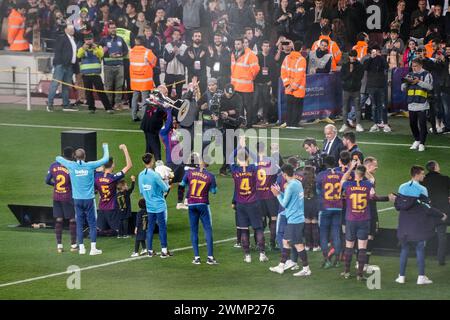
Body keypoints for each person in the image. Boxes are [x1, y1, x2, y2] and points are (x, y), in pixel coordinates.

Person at [394, 165, 447, 285]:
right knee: (420, 250)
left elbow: (398, 205)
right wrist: (441, 214)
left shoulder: (402, 187)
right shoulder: (422, 190)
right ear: (417, 175)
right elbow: (427, 208)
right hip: (418, 225)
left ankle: (401, 277)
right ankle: (421, 277)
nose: (424, 175)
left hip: (404, 225)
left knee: (404, 250)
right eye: (422, 174)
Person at [55, 143, 109, 255]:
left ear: (75, 156)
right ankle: (93, 249)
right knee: (92, 223)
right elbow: (106, 159)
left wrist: (69, 159)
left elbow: (57, 158)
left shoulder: (71, 165)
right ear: (85, 156)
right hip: (89, 199)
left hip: (77, 200)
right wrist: (105, 147)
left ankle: (82, 248)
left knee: (79, 223)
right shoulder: (90, 165)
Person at [269, 164, 312, 277]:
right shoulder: (297, 183)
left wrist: (277, 194)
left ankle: (306, 269)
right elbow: (291, 198)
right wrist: (281, 192)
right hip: (296, 218)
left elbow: (284, 203)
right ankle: (281, 266)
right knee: (286, 242)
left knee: (298, 245)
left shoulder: (291, 185)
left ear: (284, 174)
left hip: (295, 220)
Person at [231, 148, 268, 263]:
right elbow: (257, 158)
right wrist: (246, 148)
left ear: (238, 159)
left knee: (244, 230)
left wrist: (239, 148)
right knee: (258, 228)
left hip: (241, 204)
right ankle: (262, 254)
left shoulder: (234, 169)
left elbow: (229, 158)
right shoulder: (253, 168)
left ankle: (247, 256)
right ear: (248, 158)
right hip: (253, 203)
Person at [180, 154, 218, 265]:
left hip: (191, 204)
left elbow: (182, 184)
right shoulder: (210, 175)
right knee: (207, 229)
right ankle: (210, 257)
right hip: (203, 204)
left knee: (194, 230)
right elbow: (214, 191)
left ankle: (196, 258)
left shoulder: (189, 173)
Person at [340, 162, 375, 281]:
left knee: (349, 246)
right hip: (364, 220)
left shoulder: (348, 185)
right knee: (362, 248)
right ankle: (360, 274)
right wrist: (365, 169)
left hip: (351, 219)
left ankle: (346, 271)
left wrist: (350, 168)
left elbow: (343, 179)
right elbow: (372, 178)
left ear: (355, 174)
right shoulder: (367, 185)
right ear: (364, 174)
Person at [95, 144, 133, 237]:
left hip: (101, 207)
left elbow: (97, 169)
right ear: (112, 165)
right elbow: (129, 165)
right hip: (112, 208)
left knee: (99, 229)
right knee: (117, 231)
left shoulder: (97, 176)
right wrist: (125, 149)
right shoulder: (113, 178)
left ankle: (97, 231)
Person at [138, 153, 172, 257]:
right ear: (152, 161)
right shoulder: (155, 175)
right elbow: (166, 188)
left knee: (150, 228)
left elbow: (141, 191)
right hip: (159, 205)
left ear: (144, 162)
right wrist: (167, 180)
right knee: (162, 227)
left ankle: (149, 250)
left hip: (149, 206)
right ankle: (164, 251)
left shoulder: (140, 175)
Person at [45, 147, 77, 253]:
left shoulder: (53, 165)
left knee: (59, 220)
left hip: (57, 196)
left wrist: (55, 185)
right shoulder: (71, 166)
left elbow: (47, 180)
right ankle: (73, 245)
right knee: (72, 220)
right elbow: (74, 183)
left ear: (62, 154)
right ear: (72, 155)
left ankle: (59, 246)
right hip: (68, 196)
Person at [316, 156, 344, 268]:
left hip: (325, 208)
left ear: (325, 164)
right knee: (336, 233)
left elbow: (318, 190)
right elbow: (343, 189)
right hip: (338, 207)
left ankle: (326, 260)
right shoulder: (341, 175)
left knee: (323, 234)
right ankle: (337, 260)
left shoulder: (321, 175)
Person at [401, 58, 433, 152]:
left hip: (422, 103)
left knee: (422, 124)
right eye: (412, 66)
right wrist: (407, 83)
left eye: (415, 66)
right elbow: (402, 88)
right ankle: (417, 140)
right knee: (412, 124)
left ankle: (422, 143)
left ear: (420, 65)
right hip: (412, 103)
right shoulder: (409, 74)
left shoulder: (426, 74)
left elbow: (430, 87)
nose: (414, 68)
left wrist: (418, 81)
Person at [77, 33, 113, 114]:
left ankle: (108, 108)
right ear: (84, 41)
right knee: (88, 93)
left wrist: (95, 48)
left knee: (101, 92)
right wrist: (83, 48)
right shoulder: (81, 48)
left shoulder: (98, 47)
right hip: (86, 75)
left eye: (90, 39)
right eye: (87, 40)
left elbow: (101, 54)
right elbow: (79, 55)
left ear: (93, 40)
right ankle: (91, 108)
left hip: (96, 74)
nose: (89, 41)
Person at [422, 160, 450, 265]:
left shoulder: (423, 180)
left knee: (422, 234)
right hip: (442, 212)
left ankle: (421, 254)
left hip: (427, 211)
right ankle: (441, 259)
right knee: (441, 236)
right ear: (436, 167)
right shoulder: (445, 179)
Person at [46, 24, 78, 112]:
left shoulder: (73, 39)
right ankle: (50, 104)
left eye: (73, 29)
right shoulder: (61, 38)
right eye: (70, 29)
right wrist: (59, 64)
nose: (72, 31)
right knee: (55, 84)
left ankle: (66, 104)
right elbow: (58, 51)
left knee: (66, 86)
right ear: (65, 30)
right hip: (62, 65)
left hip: (69, 66)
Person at [231, 38, 260, 128]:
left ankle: (249, 123)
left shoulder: (251, 55)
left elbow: (256, 69)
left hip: (246, 86)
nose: (236, 46)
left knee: (248, 106)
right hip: (236, 85)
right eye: (235, 44)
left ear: (243, 44)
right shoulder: (233, 54)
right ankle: (240, 122)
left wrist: (249, 77)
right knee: (239, 106)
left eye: (238, 44)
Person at [256, 142, 280, 251]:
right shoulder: (271, 161)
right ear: (264, 149)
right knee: (273, 219)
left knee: (261, 220)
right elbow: (279, 174)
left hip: (258, 196)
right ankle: (272, 244)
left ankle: (259, 244)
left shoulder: (254, 163)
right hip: (270, 195)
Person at [99, 22, 128, 111]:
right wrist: (109, 54)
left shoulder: (120, 39)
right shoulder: (104, 40)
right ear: (108, 29)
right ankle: (109, 105)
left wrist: (120, 55)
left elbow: (126, 51)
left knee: (119, 86)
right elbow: (99, 52)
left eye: (114, 27)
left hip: (119, 66)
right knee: (109, 86)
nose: (113, 29)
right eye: (111, 28)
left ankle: (118, 104)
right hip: (108, 66)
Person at [130, 35, 157, 121]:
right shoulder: (147, 52)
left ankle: (133, 116)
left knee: (135, 98)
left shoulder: (131, 51)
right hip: (145, 80)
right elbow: (154, 62)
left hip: (135, 80)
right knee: (145, 99)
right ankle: (144, 116)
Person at [218, 83, 243, 176]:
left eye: (231, 94)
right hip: (224, 124)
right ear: (224, 90)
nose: (229, 95)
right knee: (225, 147)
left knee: (234, 147)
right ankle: (227, 166)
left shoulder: (237, 97)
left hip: (234, 124)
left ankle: (226, 166)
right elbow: (216, 109)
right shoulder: (220, 97)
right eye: (228, 93)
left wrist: (227, 113)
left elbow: (238, 110)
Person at [364, 45, 390, 133]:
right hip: (371, 86)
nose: (375, 53)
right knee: (374, 106)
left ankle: (385, 124)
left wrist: (380, 57)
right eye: (373, 52)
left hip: (381, 86)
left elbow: (387, 66)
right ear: (370, 53)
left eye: (377, 51)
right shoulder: (368, 60)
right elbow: (365, 67)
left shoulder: (382, 59)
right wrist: (371, 58)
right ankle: (375, 124)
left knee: (383, 105)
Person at [281, 40, 306, 128]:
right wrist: (293, 87)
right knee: (297, 107)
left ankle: (289, 123)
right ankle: (294, 124)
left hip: (288, 88)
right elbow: (299, 76)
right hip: (298, 90)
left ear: (293, 47)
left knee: (289, 107)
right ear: (301, 49)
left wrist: (287, 85)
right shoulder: (302, 60)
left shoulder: (287, 58)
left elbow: (283, 72)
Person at [340, 50, 364, 132]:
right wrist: (349, 72)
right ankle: (344, 124)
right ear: (349, 56)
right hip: (346, 90)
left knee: (357, 107)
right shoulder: (345, 65)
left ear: (356, 56)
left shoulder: (360, 66)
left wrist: (352, 71)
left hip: (356, 90)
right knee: (345, 108)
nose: (353, 58)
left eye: (354, 56)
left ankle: (358, 124)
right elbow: (342, 77)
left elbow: (359, 77)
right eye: (351, 56)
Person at [140, 84, 167, 159]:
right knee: (156, 149)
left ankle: (147, 164)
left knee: (149, 149)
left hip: (148, 128)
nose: (166, 95)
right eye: (165, 93)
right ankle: (158, 165)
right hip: (151, 129)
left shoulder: (153, 100)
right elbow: (163, 112)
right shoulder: (156, 102)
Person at [254, 40, 276, 125]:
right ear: (262, 47)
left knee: (266, 102)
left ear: (269, 48)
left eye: (267, 46)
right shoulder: (257, 56)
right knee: (255, 102)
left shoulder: (271, 58)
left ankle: (265, 118)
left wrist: (271, 81)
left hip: (266, 84)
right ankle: (255, 119)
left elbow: (274, 71)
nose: (266, 48)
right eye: (264, 46)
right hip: (257, 83)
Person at [181, 30, 208, 94]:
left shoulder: (205, 49)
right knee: (191, 95)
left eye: (199, 36)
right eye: (196, 36)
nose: (197, 38)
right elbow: (185, 63)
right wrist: (192, 59)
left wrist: (200, 58)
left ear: (201, 38)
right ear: (192, 38)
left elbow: (208, 62)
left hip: (202, 76)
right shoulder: (188, 49)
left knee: (202, 95)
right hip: (191, 76)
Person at [163, 29, 187, 99]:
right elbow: (166, 59)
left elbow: (185, 60)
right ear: (172, 36)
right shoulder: (167, 46)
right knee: (168, 92)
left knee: (179, 93)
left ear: (180, 36)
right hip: (169, 72)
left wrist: (178, 54)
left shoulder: (184, 47)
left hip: (180, 72)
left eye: (178, 35)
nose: (176, 36)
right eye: (175, 34)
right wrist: (173, 52)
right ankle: (167, 108)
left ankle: (178, 108)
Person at [302, 166, 319, 252]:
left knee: (307, 225)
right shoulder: (316, 180)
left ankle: (308, 245)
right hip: (315, 203)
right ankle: (316, 246)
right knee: (315, 224)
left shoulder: (302, 180)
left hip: (305, 204)